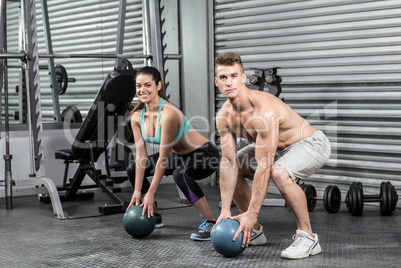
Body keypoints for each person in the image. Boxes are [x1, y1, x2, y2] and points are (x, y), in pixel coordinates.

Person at [214, 52, 331, 259]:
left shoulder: (263, 111)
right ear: (217, 82)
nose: (228, 82)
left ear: (243, 78)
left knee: (278, 172)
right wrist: (224, 210)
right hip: (278, 149)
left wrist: (252, 212)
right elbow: (228, 162)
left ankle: (309, 238)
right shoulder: (223, 117)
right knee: (237, 163)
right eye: (223, 77)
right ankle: (255, 231)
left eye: (233, 76)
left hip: (312, 143)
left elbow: (264, 166)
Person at [126, 66, 220, 241]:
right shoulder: (136, 117)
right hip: (179, 156)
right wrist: (138, 191)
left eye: (148, 85)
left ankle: (210, 222)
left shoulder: (168, 114)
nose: (142, 90)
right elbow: (141, 156)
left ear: (159, 85)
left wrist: (151, 192)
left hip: (205, 155)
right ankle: (152, 213)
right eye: (139, 86)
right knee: (133, 169)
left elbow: (163, 158)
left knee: (181, 173)